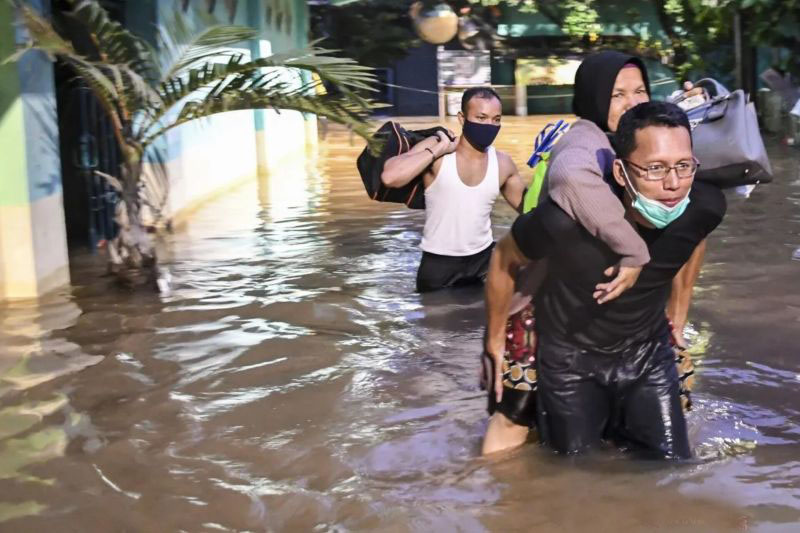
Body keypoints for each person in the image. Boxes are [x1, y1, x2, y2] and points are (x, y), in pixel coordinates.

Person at [480, 52, 705, 455]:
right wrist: (493, 339)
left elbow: (692, 228)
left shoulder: (651, 147)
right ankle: (485, 494)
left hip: (626, 323)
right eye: (618, 94)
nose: (632, 102)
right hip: (545, 299)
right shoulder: (585, 141)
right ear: (593, 98)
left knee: (666, 410)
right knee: (515, 415)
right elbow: (567, 181)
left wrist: (678, 315)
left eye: (639, 91)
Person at [380, 87, 529, 293]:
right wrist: (438, 148)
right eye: (481, 117)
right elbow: (391, 177)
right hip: (438, 266)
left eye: (496, 120)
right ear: (461, 118)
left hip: (483, 262)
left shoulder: (502, 163)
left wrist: (548, 174)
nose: (490, 125)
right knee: (435, 323)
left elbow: (531, 209)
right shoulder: (437, 149)